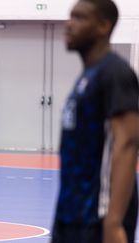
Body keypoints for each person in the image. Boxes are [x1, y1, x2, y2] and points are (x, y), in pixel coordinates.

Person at [51, 1, 139, 243]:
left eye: (79, 18)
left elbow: (127, 144)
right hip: (71, 213)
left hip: (97, 218)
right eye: (70, 16)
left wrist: (113, 221)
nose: (69, 24)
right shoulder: (87, 77)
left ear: (102, 26)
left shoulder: (114, 73)